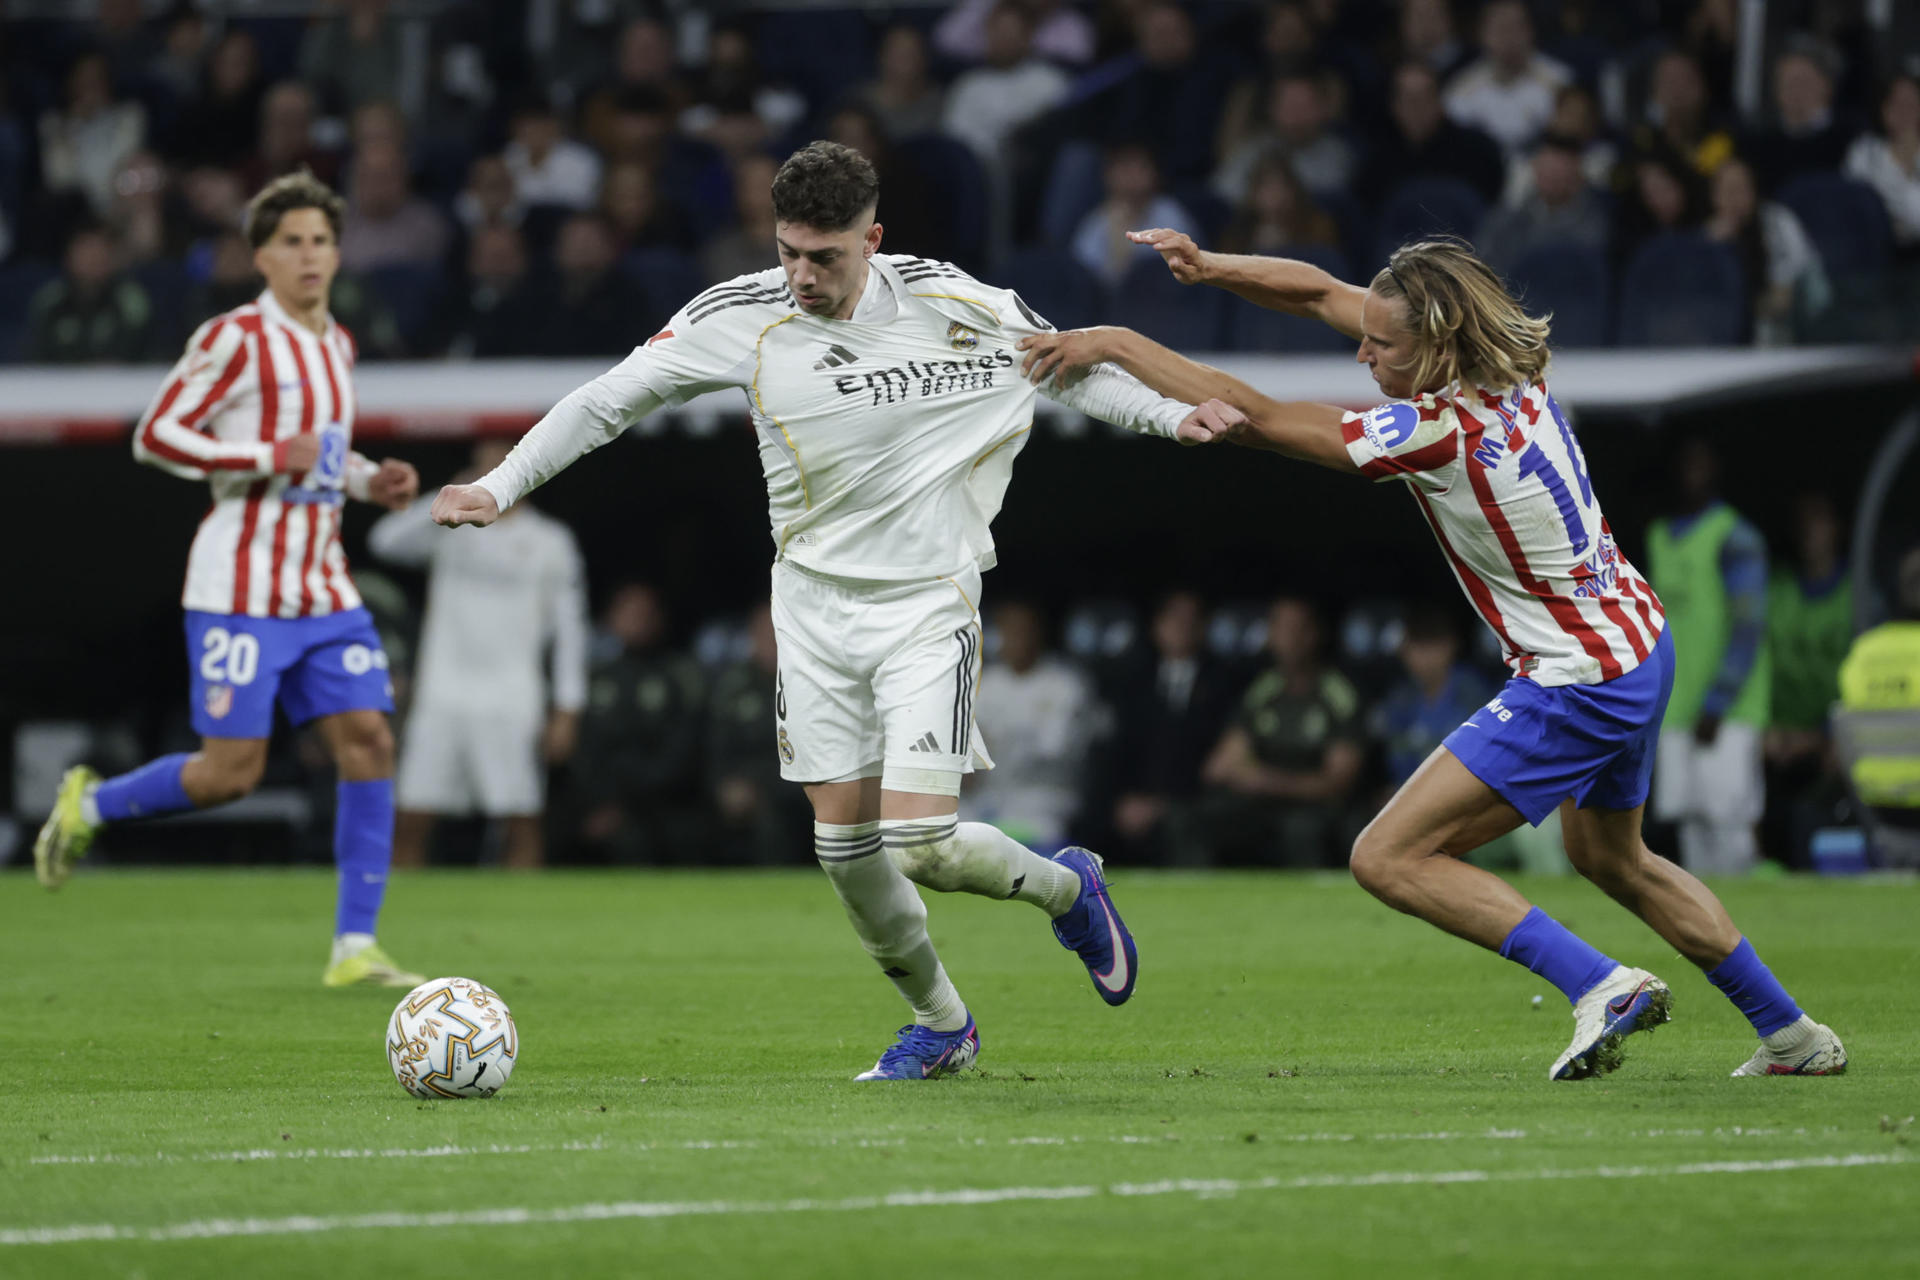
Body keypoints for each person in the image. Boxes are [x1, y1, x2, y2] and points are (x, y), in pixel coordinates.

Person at [429, 141, 1224, 1081]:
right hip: (811, 611)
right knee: (844, 849)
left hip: (929, 604)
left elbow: (1072, 370)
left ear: (873, 240)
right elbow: (610, 400)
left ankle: (1068, 889)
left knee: (921, 844)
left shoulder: (952, 302)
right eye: (788, 253)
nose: (801, 276)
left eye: (825, 257)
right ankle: (943, 1025)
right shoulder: (742, 316)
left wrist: (1173, 418)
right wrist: (502, 483)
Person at [1017, 230, 1845, 1079]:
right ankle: (1792, 1035)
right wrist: (1213, 267)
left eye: (1383, 348)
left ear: (1438, 344)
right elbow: (1317, 295)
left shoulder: (1439, 431)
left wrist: (1114, 342)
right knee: (1612, 859)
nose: (1365, 357)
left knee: (1388, 856)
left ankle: (1602, 985)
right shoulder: (1511, 361)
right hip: (1635, 641)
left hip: (1578, 679)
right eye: (1367, 339)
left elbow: (1255, 419)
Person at [34, 170, 427, 991]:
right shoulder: (236, 339)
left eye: (322, 240)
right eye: (293, 242)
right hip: (239, 587)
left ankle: (355, 947)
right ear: (261, 256)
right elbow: (156, 435)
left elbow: (314, 454)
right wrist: (257, 457)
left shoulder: (338, 343)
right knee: (229, 774)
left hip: (322, 584)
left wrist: (364, 482)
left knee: (370, 742)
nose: (310, 255)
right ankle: (91, 805)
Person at [368, 438, 589, 870]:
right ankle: (399, 920)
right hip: (443, 694)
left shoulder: (550, 541)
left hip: (512, 697)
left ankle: (525, 924)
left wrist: (568, 708)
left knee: (519, 817)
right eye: (483, 464)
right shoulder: (450, 526)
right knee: (412, 814)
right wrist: (447, 496)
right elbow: (384, 541)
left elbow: (570, 631)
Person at [1645, 437, 1771, 875]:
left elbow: (1748, 625)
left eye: (1701, 465)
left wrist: (1719, 700)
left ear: (1717, 470)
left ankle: (1751, 927)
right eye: (1685, 464)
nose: (1691, 475)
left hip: (1727, 713)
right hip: (1676, 707)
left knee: (1730, 823)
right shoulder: (1659, 536)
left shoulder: (1735, 536)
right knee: (1691, 827)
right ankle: (1708, 935)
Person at [1181, 596, 1366, 868]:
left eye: (1297, 629)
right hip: (1260, 805)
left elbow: (1337, 782)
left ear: (1314, 635)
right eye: (1279, 628)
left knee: (1301, 829)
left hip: (1314, 809)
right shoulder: (1262, 691)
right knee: (1192, 821)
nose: (1288, 638)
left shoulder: (1338, 695)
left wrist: (1264, 779)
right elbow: (1218, 768)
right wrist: (1250, 777)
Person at [568, 584, 708, 865]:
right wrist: (602, 802)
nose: (637, 620)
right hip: (602, 802)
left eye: (645, 613)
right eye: (628, 612)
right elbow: (585, 753)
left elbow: (682, 753)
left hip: (663, 802)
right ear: (610, 619)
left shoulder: (681, 677)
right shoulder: (594, 680)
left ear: (659, 619)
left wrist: (626, 805)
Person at [1106, 591, 1238, 864]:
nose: (1183, 626)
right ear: (1157, 626)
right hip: (1135, 797)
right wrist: (1123, 799)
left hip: (1195, 798)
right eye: (1174, 618)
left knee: (1187, 822)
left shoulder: (1226, 683)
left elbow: (1218, 760)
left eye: (1191, 619)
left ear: (1204, 627)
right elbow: (1118, 749)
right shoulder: (1131, 682)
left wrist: (1161, 805)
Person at [962, 601, 1098, 851]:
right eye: (1007, 632)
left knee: (1039, 833)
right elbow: (967, 746)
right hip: (988, 797)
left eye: (1022, 632)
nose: (1015, 640)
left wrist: (994, 743)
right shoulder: (985, 683)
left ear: (1038, 634)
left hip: (1045, 798)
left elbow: (1054, 750)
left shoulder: (1065, 684)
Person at [1442, 0, 1570, 160]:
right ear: (1482, 34)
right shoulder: (1460, 91)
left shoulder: (1561, 83)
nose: (1509, 37)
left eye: (1516, 27)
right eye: (1501, 28)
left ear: (1531, 31)